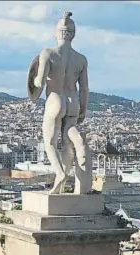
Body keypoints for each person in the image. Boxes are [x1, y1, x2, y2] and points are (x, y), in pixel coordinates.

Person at [32, 12, 89, 194]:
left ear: (56, 33)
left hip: (55, 98)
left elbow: (39, 82)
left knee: (49, 142)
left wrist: (33, 82)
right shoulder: (81, 59)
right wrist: (83, 110)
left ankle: (60, 174)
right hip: (73, 101)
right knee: (67, 142)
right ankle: (68, 173)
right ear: (73, 34)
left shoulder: (48, 53)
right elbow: (85, 88)